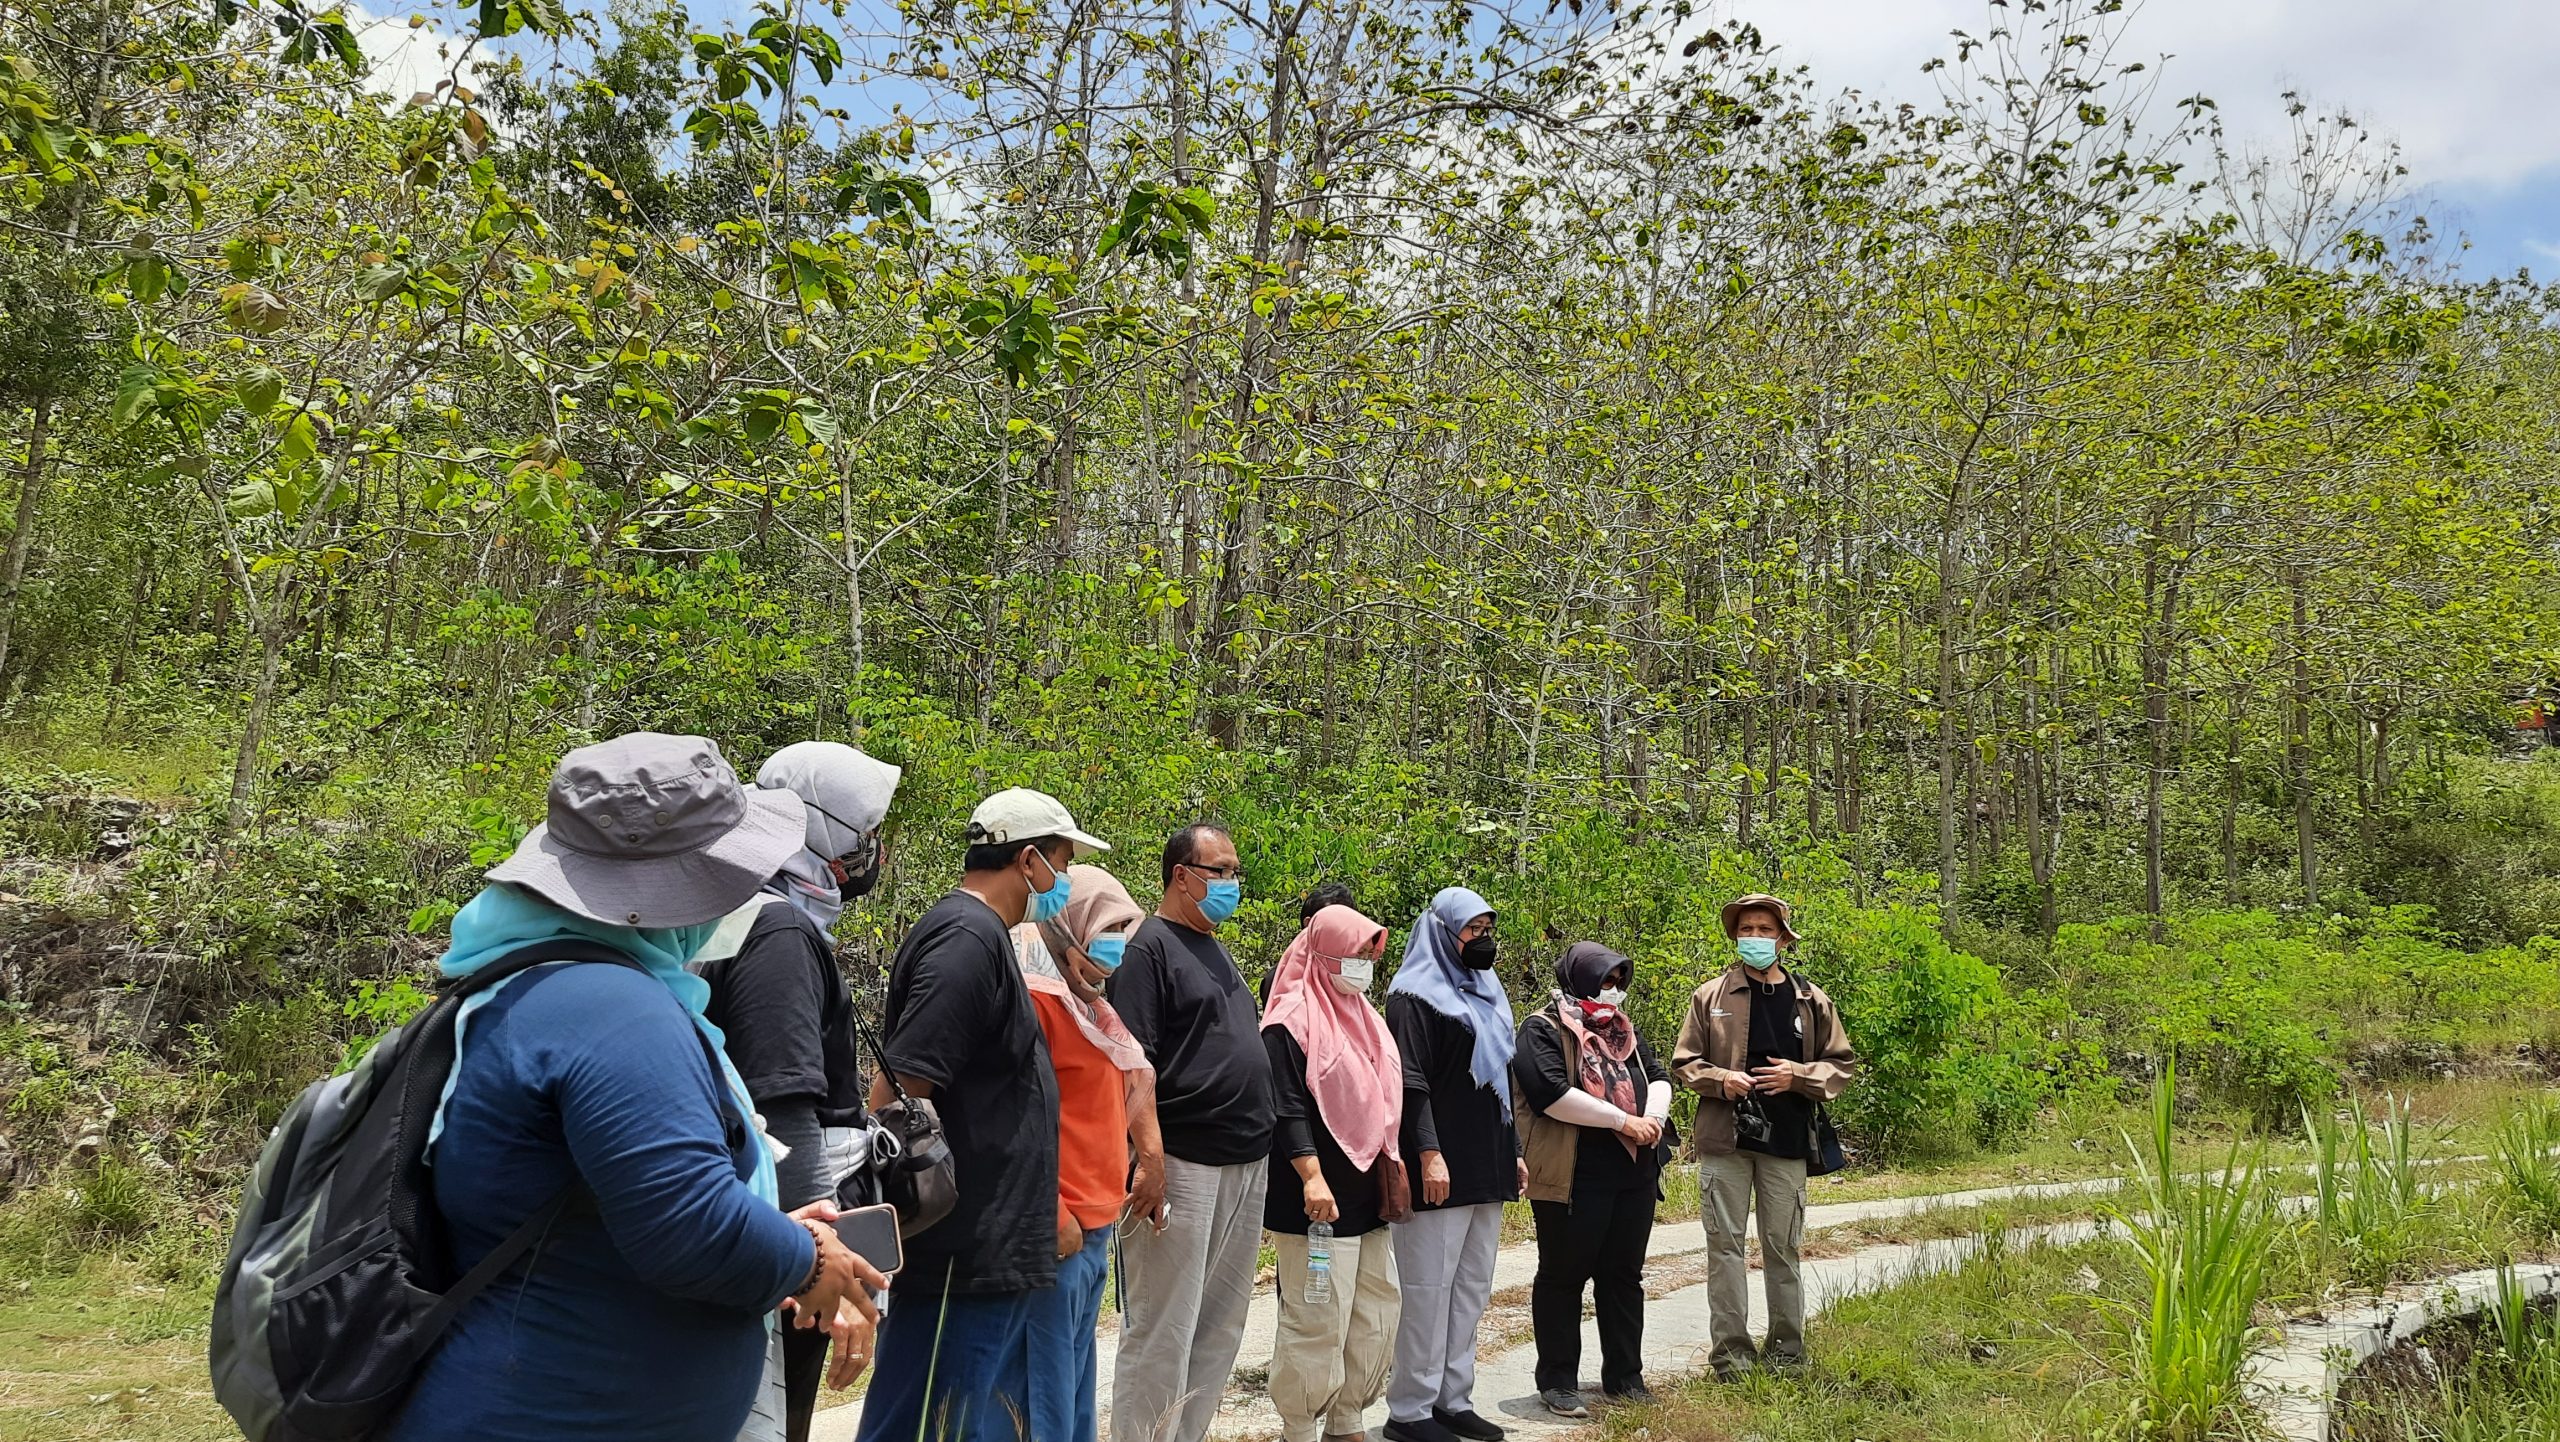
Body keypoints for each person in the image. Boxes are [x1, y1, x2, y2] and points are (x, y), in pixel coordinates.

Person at [388, 733, 883, 1442]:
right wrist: (809, 1258)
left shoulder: (536, 984)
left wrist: (776, 1231)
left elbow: (639, 1193)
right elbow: (690, 1227)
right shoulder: (612, 1011)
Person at [854, 788, 1109, 1442]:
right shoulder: (966, 940)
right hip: (959, 1255)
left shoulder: (981, 936)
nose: (1063, 880)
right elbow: (903, 1088)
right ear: (1028, 860)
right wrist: (887, 1225)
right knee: (925, 1423)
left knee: (966, 1421)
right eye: (1061, 862)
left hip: (982, 1250)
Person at [693, 740, 902, 1442]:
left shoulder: (730, 909)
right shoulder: (776, 928)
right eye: (865, 833)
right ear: (825, 833)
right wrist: (820, 1267)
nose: (873, 850)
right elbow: (782, 1116)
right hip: (784, 1245)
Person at [1107, 822, 1277, 1442]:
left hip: (1243, 1160)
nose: (1233, 884)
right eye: (1221, 871)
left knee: (1220, 1324)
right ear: (1182, 875)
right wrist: (1147, 1158)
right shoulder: (1146, 948)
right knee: (1164, 1325)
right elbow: (1133, 1063)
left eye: (1235, 872)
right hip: (1184, 1161)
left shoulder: (1214, 946)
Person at [1010, 864, 1168, 1442]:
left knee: (1076, 1385)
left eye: (1122, 930)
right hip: (1061, 1224)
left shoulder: (1092, 1006)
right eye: (1105, 928)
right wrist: (1051, 1210)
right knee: (1042, 1391)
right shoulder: (1037, 1002)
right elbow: (1017, 1119)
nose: (1115, 944)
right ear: (1066, 926)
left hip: (1097, 1218)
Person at [1671, 894, 1856, 1380]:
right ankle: (1731, 1357)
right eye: (1746, 929)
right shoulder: (1709, 996)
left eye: (1764, 929)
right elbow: (1685, 1063)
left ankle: (1788, 1354)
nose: (1754, 937)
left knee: (1783, 1248)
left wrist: (1798, 1076)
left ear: (1782, 937)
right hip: (1725, 1141)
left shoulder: (1811, 999)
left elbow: (1841, 1065)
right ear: (1735, 936)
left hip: (1789, 1142)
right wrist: (1721, 1081)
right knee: (1725, 1249)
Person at [1511, 943, 1674, 1417]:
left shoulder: (1622, 1030)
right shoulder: (1541, 1029)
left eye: (1619, 982)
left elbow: (1658, 1074)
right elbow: (1549, 1094)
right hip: (1572, 1177)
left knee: (1624, 1277)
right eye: (1605, 981)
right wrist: (1623, 1123)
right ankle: (1558, 1381)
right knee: (1564, 1276)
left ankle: (1625, 1377)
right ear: (1578, 979)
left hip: (1634, 1174)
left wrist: (1653, 1120)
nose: (1614, 991)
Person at [1262, 904, 1404, 1442]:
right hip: (1316, 1202)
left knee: (1373, 1312)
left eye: (1370, 952)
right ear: (1322, 954)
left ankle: (1347, 1421)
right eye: (1356, 952)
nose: (1365, 963)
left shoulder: (1367, 1018)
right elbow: (1287, 1106)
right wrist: (1311, 1176)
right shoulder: (1289, 1022)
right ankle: (1298, 1427)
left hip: (1367, 1196)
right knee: (1316, 1318)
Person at [1383, 887, 1520, 1442]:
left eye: (1489, 929)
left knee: (1471, 1288)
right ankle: (1410, 1410)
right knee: (1426, 1289)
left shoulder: (1487, 991)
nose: (1483, 941)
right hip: (1437, 1165)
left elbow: (1501, 1082)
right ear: (1443, 932)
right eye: (1473, 930)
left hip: (1486, 1161)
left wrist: (1512, 1153)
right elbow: (1410, 1084)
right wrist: (1429, 1154)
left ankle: (1453, 1398)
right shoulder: (1413, 997)